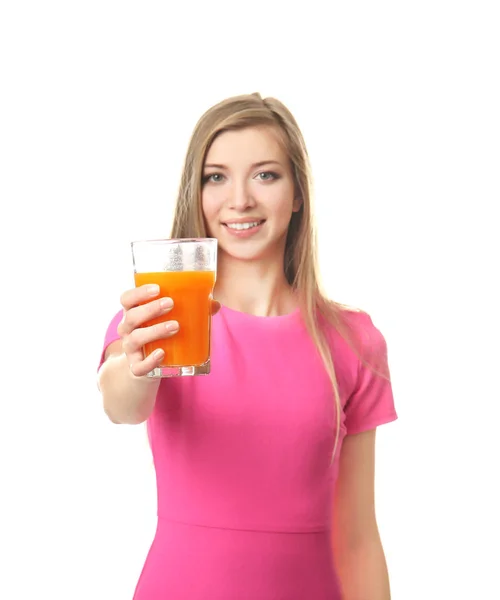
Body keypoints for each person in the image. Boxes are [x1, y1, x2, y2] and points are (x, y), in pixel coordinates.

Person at [97, 92, 398, 600]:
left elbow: (360, 539)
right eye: (216, 177)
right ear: (196, 194)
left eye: (265, 175)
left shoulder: (353, 341)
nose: (240, 200)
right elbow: (120, 404)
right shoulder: (157, 323)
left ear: (298, 193)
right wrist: (138, 365)